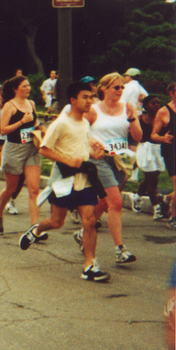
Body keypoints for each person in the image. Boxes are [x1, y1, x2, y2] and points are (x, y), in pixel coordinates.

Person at [18, 82, 110, 282]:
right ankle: (36, 230)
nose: (90, 101)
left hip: (84, 180)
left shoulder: (85, 123)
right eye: (85, 97)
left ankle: (89, 266)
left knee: (90, 221)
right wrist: (69, 161)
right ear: (73, 100)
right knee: (57, 222)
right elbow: (44, 148)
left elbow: (81, 149)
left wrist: (95, 155)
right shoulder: (61, 123)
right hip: (64, 181)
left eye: (91, 97)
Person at [73, 73, 142, 264]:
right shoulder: (94, 110)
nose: (120, 91)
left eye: (122, 87)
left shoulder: (127, 108)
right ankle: (120, 250)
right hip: (99, 160)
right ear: (104, 89)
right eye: (115, 87)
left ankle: (83, 232)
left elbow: (138, 136)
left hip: (119, 160)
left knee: (104, 204)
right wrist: (91, 139)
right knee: (116, 203)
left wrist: (133, 118)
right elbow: (79, 130)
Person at [0, 76, 42, 235]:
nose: (28, 88)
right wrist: (22, 121)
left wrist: (40, 128)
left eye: (28, 86)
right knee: (11, 188)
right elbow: (3, 130)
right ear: (15, 89)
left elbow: (34, 124)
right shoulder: (9, 106)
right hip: (14, 149)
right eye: (24, 86)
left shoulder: (32, 104)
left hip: (31, 148)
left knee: (34, 190)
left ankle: (35, 227)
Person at [134, 95, 167, 218]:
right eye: (153, 103)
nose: (157, 105)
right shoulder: (140, 119)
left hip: (158, 150)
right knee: (153, 180)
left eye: (158, 103)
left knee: (149, 179)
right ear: (146, 105)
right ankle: (157, 209)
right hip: (144, 150)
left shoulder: (162, 118)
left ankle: (136, 197)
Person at [151, 82, 176, 227]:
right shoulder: (164, 111)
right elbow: (153, 135)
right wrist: (162, 138)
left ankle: (166, 198)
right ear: (172, 93)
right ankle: (174, 217)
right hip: (171, 151)